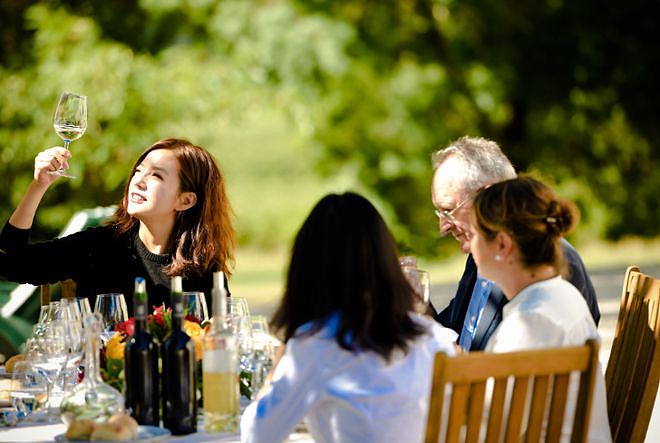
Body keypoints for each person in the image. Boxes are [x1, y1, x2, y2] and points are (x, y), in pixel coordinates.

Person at [240, 192, 457, 443]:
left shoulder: (315, 346)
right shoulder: (430, 336)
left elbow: (258, 436)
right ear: (386, 259)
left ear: (307, 270)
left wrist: (274, 373)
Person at [0, 138, 235, 313]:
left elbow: (218, 345)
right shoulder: (100, 245)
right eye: (139, 171)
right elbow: (11, 262)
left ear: (185, 200)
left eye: (156, 176)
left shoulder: (203, 271)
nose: (138, 181)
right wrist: (38, 186)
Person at [470, 176, 611, 441]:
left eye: (476, 233)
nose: (469, 245)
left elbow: (491, 430)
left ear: (502, 244)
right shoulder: (562, 295)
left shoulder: (532, 323)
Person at [430, 136, 599, 351]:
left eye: (449, 210)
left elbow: (497, 380)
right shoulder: (563, 299)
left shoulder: (526, 325)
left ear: (501, 244)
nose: (442, 228)